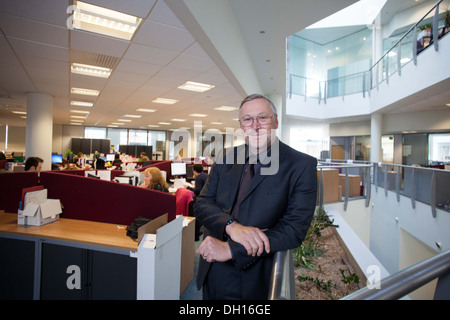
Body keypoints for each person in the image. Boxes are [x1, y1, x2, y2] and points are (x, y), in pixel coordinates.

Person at [194, 94, 317, 300]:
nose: (255, 126)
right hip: (212, 265)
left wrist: (231, 249)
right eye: (248, 119)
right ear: (241, 125)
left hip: (252, 276)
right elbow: (202, 203)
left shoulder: (301, 165)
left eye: (263, 118)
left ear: (275, 121)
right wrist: (232, 226)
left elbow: (294, 229)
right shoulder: (225, 157)